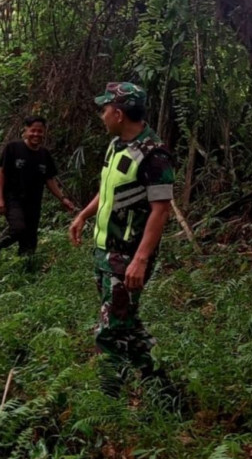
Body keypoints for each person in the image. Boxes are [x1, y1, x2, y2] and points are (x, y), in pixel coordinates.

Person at [69, 82, 176, 398]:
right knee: (124, 321)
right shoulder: (116, 146)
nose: (101, 115)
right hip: (105, 252)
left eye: (104, 109)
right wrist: (83, 216)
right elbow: (107, 189)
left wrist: (141, 259)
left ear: (118, 113)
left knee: (109, 331)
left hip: (128, 256)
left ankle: (108, 401)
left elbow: (161, 210)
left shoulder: (154, 156)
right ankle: (162, 387)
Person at [0, 116, 76, 257]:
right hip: (13, 198)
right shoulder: (13, 148)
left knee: (29, 242)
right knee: (18, 228)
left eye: (40, 131)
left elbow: (49, 179)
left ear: (44, 132)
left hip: (34, 202)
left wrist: (62, 198)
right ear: (25, 130)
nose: (36, 134)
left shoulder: (44, 154)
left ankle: (24, 271)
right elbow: (1, 172)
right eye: (33, 130)